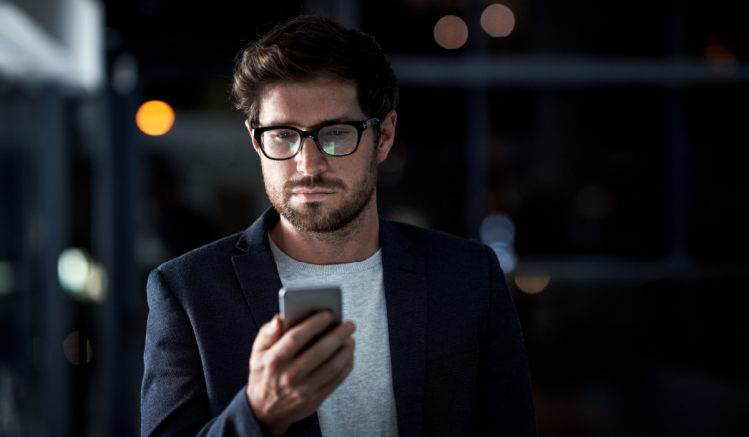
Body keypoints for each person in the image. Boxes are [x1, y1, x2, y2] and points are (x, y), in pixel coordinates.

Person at [141, 15, 536, 437]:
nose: (308, 164)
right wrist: (259, 413)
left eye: (335, 133)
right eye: (283, 135)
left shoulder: (468, 278)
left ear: (383, 136)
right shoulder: (188, 292)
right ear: (257, 140)